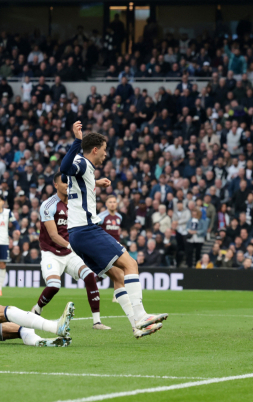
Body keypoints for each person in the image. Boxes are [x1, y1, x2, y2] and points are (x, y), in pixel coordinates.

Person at [60, 121, 167, 339]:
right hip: (86, 230)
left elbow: (67, 179)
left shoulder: (84, 169)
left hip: (77, 234)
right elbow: (64, 169)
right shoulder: (81, 161)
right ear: (96, 149)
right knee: (131, 264)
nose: (106, 155)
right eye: (105, 150)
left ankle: (136, 326)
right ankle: (142, 315)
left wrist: (94, 183)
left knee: (118, 275)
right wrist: (77, 141)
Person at [31, 172, 111, 330]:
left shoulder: (75, 202)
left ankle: (97, 322)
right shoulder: (48, 205)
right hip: (51, 253)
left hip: (70, 253)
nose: (68, 185)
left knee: (89, 276)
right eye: (64, 182)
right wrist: (71, 246)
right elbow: (53, 235)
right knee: (54, 286)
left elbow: (84, 185)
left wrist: (98, 183)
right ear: (55, 185)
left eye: (69, 182)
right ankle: (37, 309)